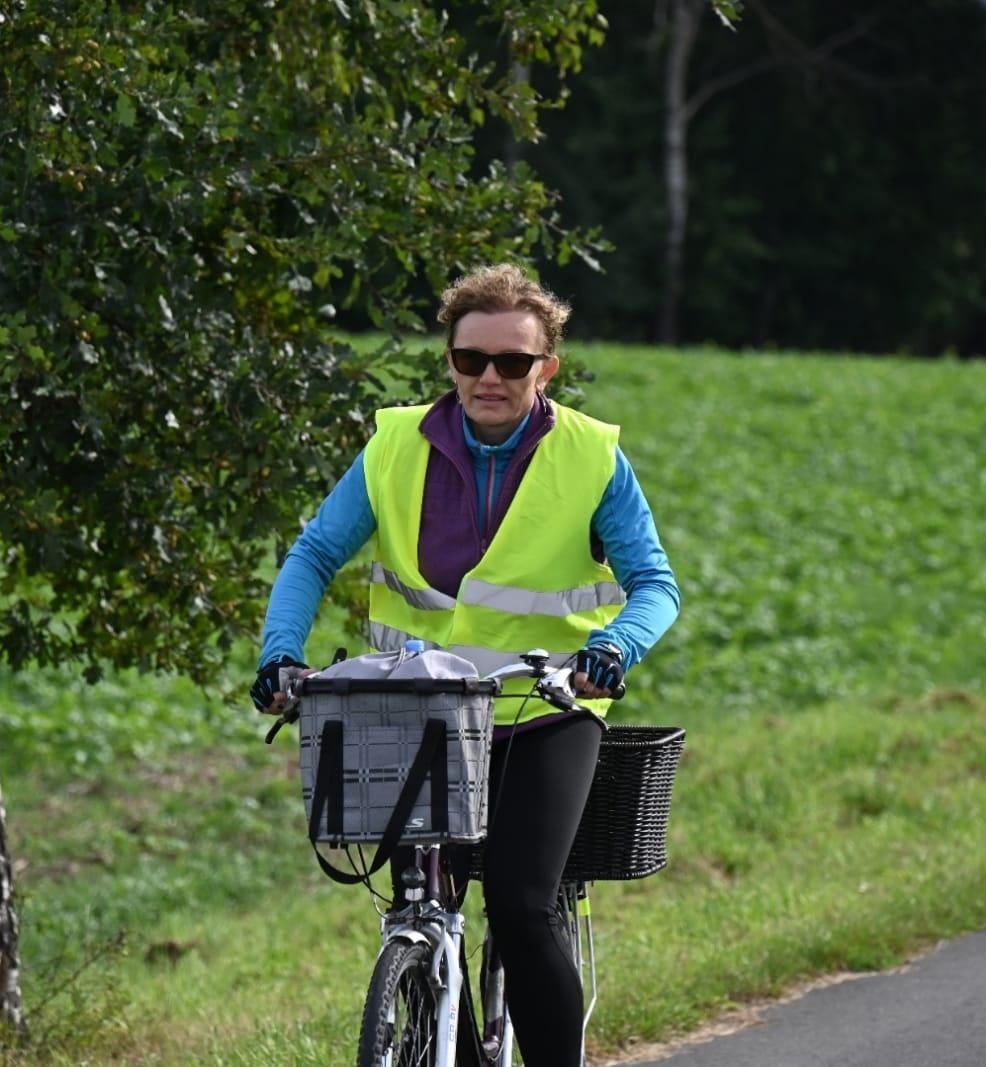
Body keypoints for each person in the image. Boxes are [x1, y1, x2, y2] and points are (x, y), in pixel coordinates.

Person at [251, 263, 679, 1066]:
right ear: (447, 358)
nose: (489, 376)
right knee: (421, 903)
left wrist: (613, 649)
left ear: (544, 366)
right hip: (418, 710)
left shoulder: (590, 456)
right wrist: (281, 653)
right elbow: (312, 555)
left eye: (512, 362)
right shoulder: (392, 447)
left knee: (519, 906)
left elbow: (656, 584)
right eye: (470, 358)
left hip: (541, 709)